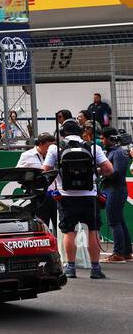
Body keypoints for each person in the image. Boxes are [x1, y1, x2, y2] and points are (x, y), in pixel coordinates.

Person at [44, 118, 113, 279]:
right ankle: (95, 268)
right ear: (81, 132)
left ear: (62, 133)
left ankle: (70, 267)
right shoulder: (93, 147)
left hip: (66, 197)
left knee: (69, 232)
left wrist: (58, 174)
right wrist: (94, 172)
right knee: (93, 231)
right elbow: (109, 169)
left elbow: (45, 170)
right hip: (90, 196)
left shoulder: (56, 148)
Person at [99, 128, 131, 262]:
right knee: (120, 221)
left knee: (114, 222)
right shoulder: (114, 152)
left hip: (115, 190)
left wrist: (101, 175)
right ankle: (127, 252)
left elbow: (116, 172)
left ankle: (118, 253)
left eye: (103, 138)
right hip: (114, 189)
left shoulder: (118, 153)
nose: (102, 140)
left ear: (109, 138)